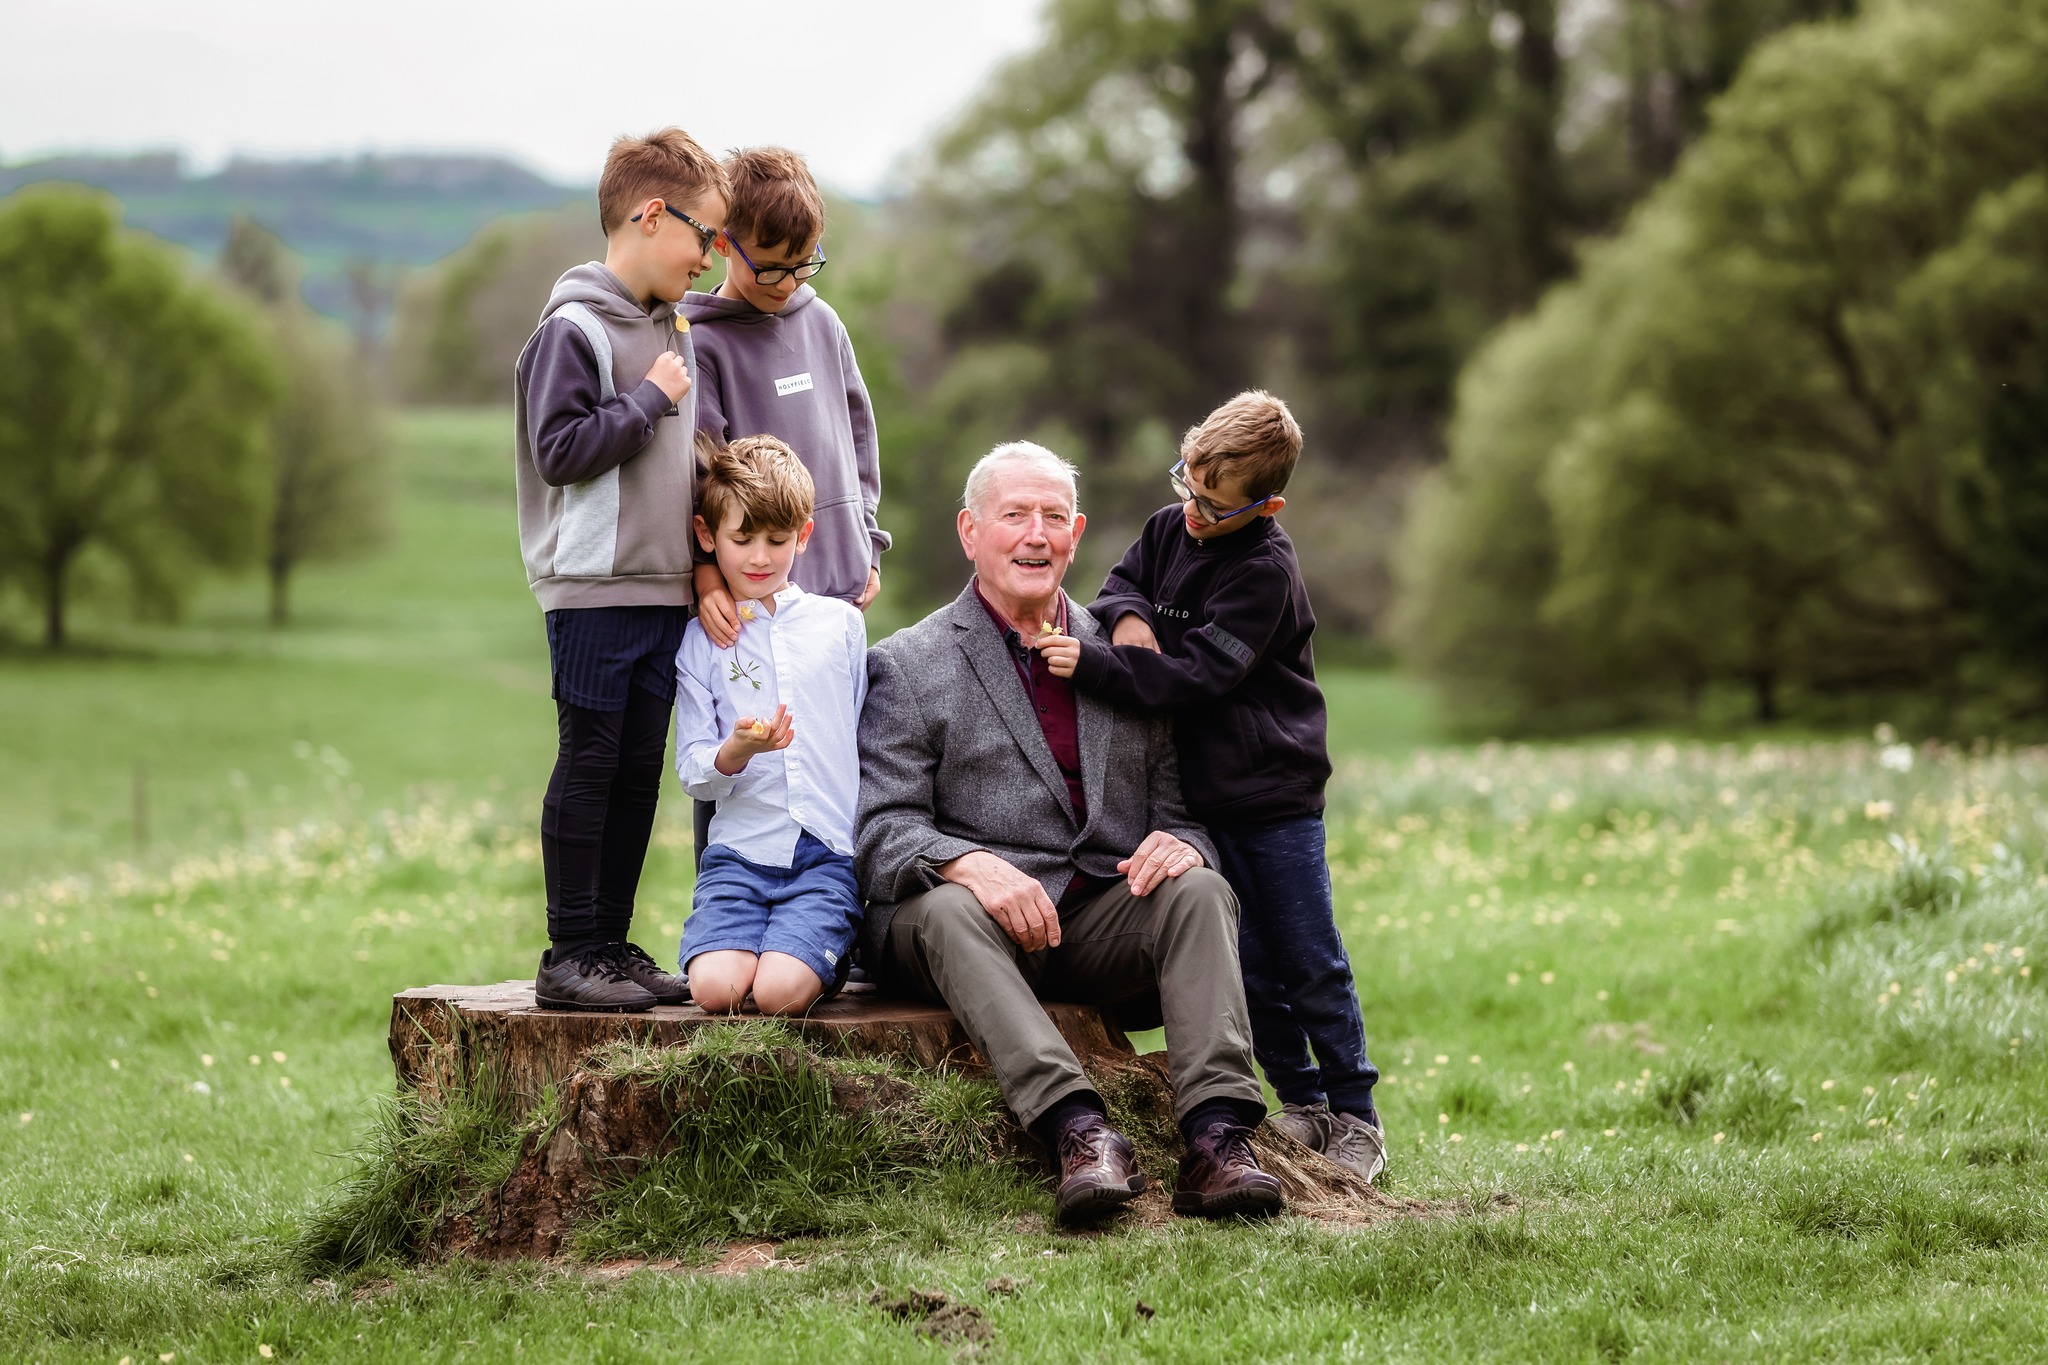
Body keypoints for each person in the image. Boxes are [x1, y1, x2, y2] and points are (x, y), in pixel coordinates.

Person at [856, 441, 1286, 1226]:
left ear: (1077, 533)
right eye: (1015, 514)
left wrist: (1184, 841)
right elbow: (881, 832)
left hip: (1092, 921)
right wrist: (968, 864)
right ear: (970, 531)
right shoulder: (908, 665)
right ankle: (1079, 1131)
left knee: (1199, 888)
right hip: (966, 926)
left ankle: (1218, 1141)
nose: (1035, 534)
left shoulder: (1126, 654)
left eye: (1053, 516)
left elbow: (1182, 808)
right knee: (950, 908)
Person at [1033, 390, 1386, 1180]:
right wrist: (1127, 625)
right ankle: (1301, 1102)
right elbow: (1118, 586)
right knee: (1248, 960)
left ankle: (1357, 1114)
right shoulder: (1170, 528)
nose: (1193, 511)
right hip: (1199, 800)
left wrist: (1098, 661)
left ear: (1267, 504)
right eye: (1186, 486)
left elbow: (1194, 679)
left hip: (1272, 797)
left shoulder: (1265, 571)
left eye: (1215, 504)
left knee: (1307, 955)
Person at [513, 128, 727, 1012]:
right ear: (650, 215)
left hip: (661, 587)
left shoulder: (669, 323)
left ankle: (609, 945)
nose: (711, 258)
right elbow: (559, 450)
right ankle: (568, 952)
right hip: (594, 589)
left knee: (640, 767)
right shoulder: (574, 328)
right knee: (592, 758)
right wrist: (649, 401)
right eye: (704, 236)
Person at [673, 436, 868, 1016]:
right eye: (742, 540)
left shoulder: (840, 626)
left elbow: (857, 731)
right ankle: (775, 946)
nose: (759, 557)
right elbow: (693, 771)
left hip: (826, 853)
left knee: (778, 995)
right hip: (739, 853)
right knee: (717, 992)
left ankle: (826, 946)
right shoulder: (698, 642)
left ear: (803, 535)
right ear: (708, 537)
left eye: (777, 541)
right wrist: (735, 749)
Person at [683, 145, 887, 635]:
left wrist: (870, 545)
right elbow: (696, 475)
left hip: (844, 588)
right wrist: (706, 575)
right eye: (771, 268)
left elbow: (859, 438)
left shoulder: (822, 321)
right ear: (725, 245)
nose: (787, 284)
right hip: (755, 600)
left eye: (803, 265)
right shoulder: (700, 340)